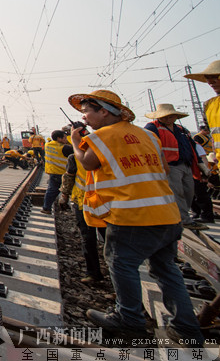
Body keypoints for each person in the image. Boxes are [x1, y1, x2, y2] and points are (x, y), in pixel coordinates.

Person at [68, 89, 203, 346]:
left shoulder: (102, 137)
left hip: (132, 215)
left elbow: (87, 163)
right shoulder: (148, 135)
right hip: (166, 213)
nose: (84, 118)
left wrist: (76, 141)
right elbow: (163, 168)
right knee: (166, 269)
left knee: (121, 264)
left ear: (104, 111)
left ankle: (129, 319)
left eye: (87, 111)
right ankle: (186, 328)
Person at [143, 103, 202, 228]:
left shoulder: (181, 130)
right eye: (164, 116)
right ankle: (183, 220)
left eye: (170, 116)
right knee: (177, 192)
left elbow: (191, 146)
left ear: (175, 117)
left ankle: (181, 215)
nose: (167, 119)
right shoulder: (152, 128)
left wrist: (200, 163)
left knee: (189, 191)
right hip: (170, 165)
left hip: (186, 164)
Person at [58, 144, 103, 285]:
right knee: (95, 239)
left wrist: (64, 195)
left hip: (87, 202)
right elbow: (70, 176)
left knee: (88, 238)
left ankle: (94, 273)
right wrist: (64, 195)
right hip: (98, 202)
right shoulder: (103, 151)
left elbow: (69, 177)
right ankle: (95, 273)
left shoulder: (76, 157)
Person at [41, 130, 69, 214]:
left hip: (52, 172)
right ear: (59, 138)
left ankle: (46, 208)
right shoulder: (64, 147)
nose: (66, 139)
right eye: (64, 137)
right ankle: (64, 205)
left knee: (51, 191)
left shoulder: (47, 145)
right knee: (66, 190)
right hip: (63, 173)